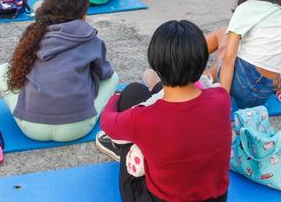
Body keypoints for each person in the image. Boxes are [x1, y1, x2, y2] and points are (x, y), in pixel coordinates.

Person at [96, 20, 230, 202]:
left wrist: (115, 97)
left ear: (156, 64)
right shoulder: (221, 98)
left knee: (133, 92)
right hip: (216, 198)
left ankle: (124, 150)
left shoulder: (144, 118)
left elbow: (107, 122)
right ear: (202, 61)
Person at [0, 0, 118, 141]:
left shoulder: (33, 34)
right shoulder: (90, 38)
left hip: (32, 128)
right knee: (114, 77)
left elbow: (17, 70)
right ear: (82, 15)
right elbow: (104, 74)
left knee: (3, 70)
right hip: (78, 127)